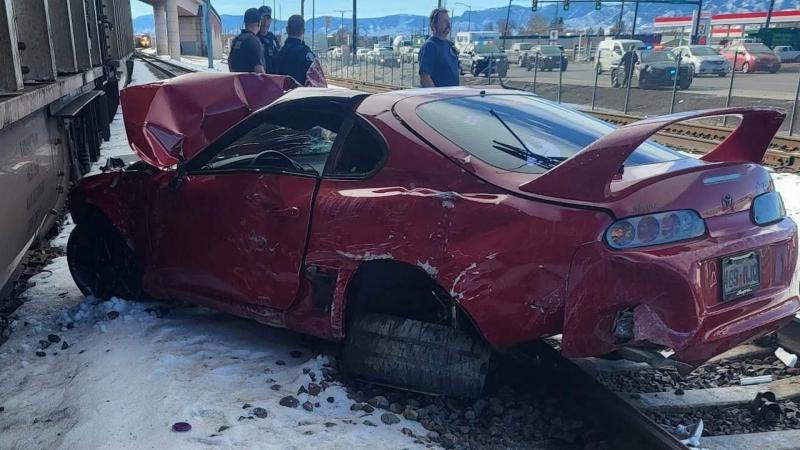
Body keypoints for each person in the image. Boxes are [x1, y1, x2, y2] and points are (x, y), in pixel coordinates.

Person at [418, 8, 459, 88]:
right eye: (444, 21)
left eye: (448, 20)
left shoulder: (449, 45)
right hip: (440, 98)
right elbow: (425, 78)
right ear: (434, 25)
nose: (448, 24)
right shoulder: (430, 46)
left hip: (453, 97)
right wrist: (438, 97)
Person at [276, 15, 315, 86]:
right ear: (303, 31)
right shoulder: (305, 53)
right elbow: (316, 79)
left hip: (282, 95)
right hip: (301, 95)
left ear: (287, 30)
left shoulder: (279, 52)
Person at [228, 8, 266, 73]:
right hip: (251, 82)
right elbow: (259, 69)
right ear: (259, 23)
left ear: (245, 23)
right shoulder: (254, 41)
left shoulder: (237, 39)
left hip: (238, 81)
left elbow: (229, 61)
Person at [258, 6, 281, 74]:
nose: (265, 22)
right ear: (259, 20)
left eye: (268, 18)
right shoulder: (254, 39)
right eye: (263, 18)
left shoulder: (272, 37)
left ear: (270, 21)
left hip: (273, 78)